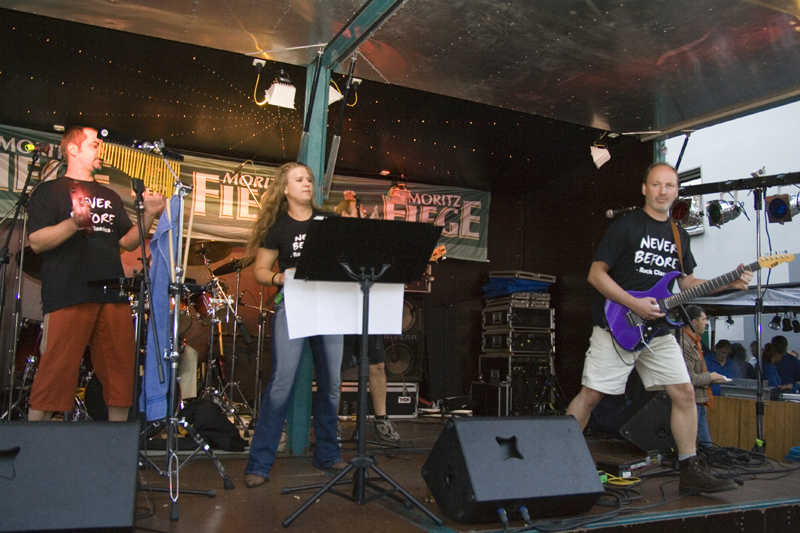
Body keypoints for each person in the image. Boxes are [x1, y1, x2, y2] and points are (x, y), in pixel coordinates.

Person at [565, 162, 752, 495]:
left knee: (684, 393)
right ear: (644, 188)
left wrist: (729, 282)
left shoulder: (679, 235)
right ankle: (558, 463)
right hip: (617, 325)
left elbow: (686, 282)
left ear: (676, 191)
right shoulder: (626, 227)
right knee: (591, 395)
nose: (663, 191)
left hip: (658, 331)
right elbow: (596, 275)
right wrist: (634, 303)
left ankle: (690, 469)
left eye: (669, 185)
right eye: (656, 184)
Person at [26, 126, 165, 422]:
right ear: (72, 149)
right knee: (55, 371)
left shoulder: (109, 195)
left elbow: (128, 241)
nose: (101, 149)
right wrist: (73, 223)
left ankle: (117, 442)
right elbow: (36, 242)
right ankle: (31, 443)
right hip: (69, 291)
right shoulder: (49, 191)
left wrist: (150, 214)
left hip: (112, 293)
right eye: (94, 144)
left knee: (120, 373)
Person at [242, 162, 345, 488]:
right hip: (293, 304)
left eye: (309, 179)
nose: (306, 183)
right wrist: (279, 277)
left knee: (331, 384)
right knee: (281, 383)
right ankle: (259, 464)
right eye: (299, 179)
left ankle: (327, 454)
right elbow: (260, 271)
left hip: (329, 305)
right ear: (285, 189)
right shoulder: (278, 228)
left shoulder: (329, 221)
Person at [678, 306, 728, 447]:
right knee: (703, 448)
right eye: (704, 319)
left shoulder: (694, 341)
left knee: (706, 448)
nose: (706, 323)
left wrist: (712, 378)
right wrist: (710, 377)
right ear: (694, 322)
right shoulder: (684, 343)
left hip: (698, 401)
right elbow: (689, 378)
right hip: (691, 402)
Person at [341, 335, 401, 443]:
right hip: (341, 325)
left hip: (370, 325)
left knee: (377, 364)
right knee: (337, 366)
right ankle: (332, 424)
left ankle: (381, 420)